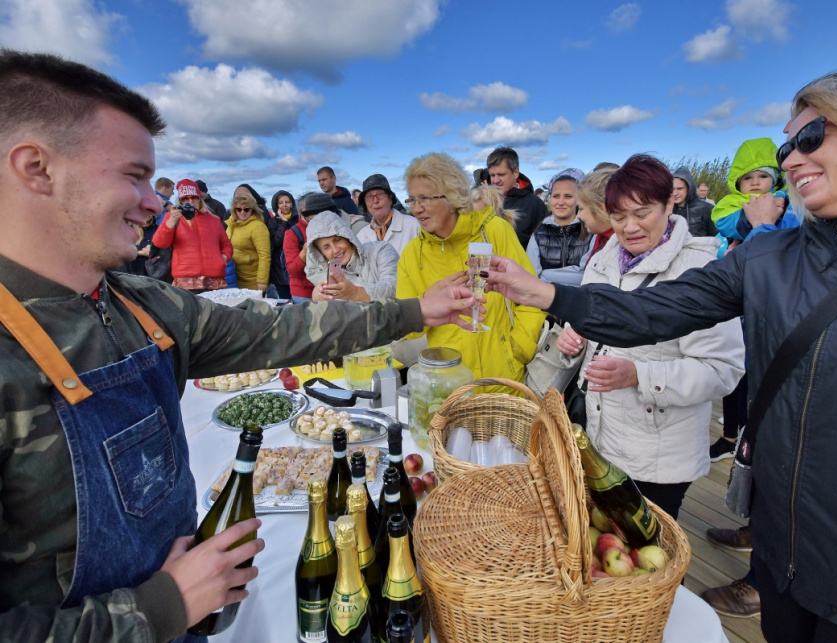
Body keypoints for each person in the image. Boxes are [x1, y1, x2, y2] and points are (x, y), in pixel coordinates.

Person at [0, 49, 478, 643]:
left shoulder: (142, 307)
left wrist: (414, 312)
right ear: (36, 168)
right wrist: (162, 606)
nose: (155, 202)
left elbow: (282, 330)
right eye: (132, 176)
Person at [486, 74, 837, 642]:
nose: (791, 160)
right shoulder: (770, 257)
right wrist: (544, 293)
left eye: (811, 137)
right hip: (786, 563)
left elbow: (718, 366)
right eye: (786, 147)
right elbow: (655, 310)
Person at [555, 155, 744, 519]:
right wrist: (572, 339)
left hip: (659, 459)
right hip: (600, 441)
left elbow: (723, 369)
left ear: (669, 203)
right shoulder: (603, 259)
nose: (629, 228)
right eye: (618, 217)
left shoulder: (700, 271)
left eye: (642, 213)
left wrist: (639, 376)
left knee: (651, 542)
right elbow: (589, 326)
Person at [397, 152, 545, 381]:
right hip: (449, 383)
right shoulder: (411, 255)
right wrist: (425, 302)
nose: (416, 209)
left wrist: (519, 346)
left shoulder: (495, 231)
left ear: (453, 197)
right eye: (412, 200)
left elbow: (532, 294)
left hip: (504, 379)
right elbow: (406, 328)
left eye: (424, 198)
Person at [711, 138, 798, 245]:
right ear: (738, 182)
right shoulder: (730, 201)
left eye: (763, 176)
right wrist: (752, 218)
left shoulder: (787, 198)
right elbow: (723, 222)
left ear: (774, 181)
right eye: (747, 178)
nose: (755, 182)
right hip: (748, 248)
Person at [152, 179, 233, 292]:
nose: (190, 201)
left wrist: (223, 258)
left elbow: (227, 246)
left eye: (194, 197)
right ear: (180, 200)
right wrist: (171, 222)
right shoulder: (172, 217)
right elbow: (159, 243)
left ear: (200, 198)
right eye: (185, 198)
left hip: (214, 278)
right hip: (185, 279)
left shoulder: (214, 220)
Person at [305, 212, 398, 302]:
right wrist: (318, 300)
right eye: (326, 247)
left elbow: (394, 286)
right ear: (321, 254)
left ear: (348, 236)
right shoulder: (330, 279)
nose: (335, 250)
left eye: (337, 240)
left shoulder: (381, 250)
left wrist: (355, 293)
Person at [526, 168, 594, 286]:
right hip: (544, 297)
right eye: (556, 196)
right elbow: (531, 276)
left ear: (578, 199)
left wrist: (546, 275)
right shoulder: (538, 234)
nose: (561, 202)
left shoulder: (591, 232)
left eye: (568, 196)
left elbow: (589, 276)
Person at [486, 146, 549, 249]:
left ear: (515, 173)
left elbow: (543, 246)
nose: (495, 180)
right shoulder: (482, 202)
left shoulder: (535, 204)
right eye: (492, 175)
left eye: (501, 174)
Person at [284, 192, 337, 303]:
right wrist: (304, 252)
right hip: (304, 293)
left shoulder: (334, 228)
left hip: (331, 290)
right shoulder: (292, 234)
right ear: (305, 212)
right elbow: (292, 270)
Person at [355, 173, 420, 255]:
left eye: (380, 194)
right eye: (369, 196)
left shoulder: (414, 226)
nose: (375, 201)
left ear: (390, 199)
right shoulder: (361, 236)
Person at [226, 192, 272, 292]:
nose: (242, 212)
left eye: (246, 209)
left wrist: (262, 280)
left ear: (253, 209)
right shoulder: (231, 224)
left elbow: (264, 255)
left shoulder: (258, 227)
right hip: (234, 278)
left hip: (252, 280)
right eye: (239, 209)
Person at [269, 189, 300, 299]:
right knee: (285, 300)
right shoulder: (273, 222)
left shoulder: (298, 219)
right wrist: (284, 223)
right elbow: (275, 242)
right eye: (281, 203)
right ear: (276, 205)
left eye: (287, 202)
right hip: (279, 269)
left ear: (292, 203)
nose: (284, 205)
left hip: (296, 264)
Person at [671, 167, 717, 237]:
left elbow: (718, 238)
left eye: (679, 188)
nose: (675, 193)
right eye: (672, 189)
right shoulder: (665, 210)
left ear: (689, 188)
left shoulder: (707, 209)